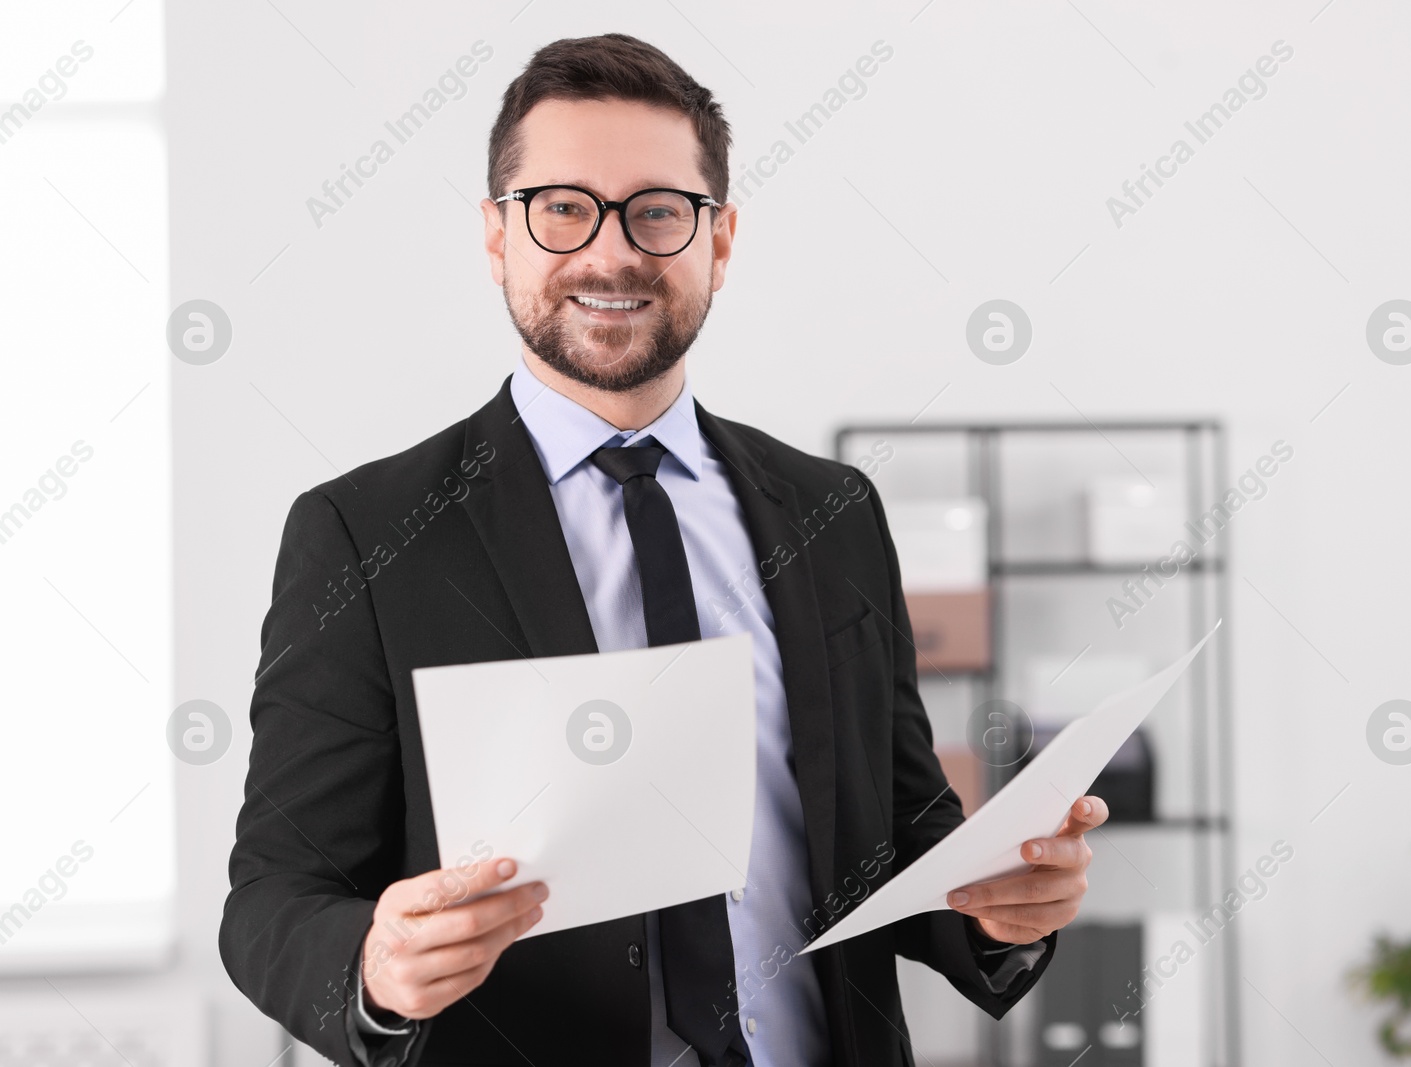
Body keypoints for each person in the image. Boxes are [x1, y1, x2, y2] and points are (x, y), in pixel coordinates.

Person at [220, 32, 1107, 1067]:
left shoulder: (832, 508)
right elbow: (274, 893)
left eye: (657, 210)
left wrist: (1000, 903)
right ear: (497, 234)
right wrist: (373, 967)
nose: (609, 253)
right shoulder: (366, 533)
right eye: (561, 207)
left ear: (718, 239)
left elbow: (895, 829)